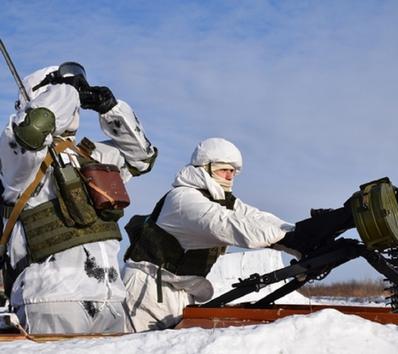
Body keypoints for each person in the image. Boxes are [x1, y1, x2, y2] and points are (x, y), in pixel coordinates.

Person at [122, 137, 342, 332]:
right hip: (148, 290)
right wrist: (289, 237)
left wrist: (302, 236)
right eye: (222, 169)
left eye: (233, 171)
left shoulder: (223, 200)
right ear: (204, 168)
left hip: (180, 288)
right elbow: (228, 225)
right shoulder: (182, 199)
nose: (229, 176)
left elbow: (257, 218)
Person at [0, 62, 157, 334]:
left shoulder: (91, 155)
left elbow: (142, 159)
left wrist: (110, 109)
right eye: (62, 89)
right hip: (52, 299)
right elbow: (32, 131)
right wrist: (67, 90)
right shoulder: (18, 158)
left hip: (110, 299)